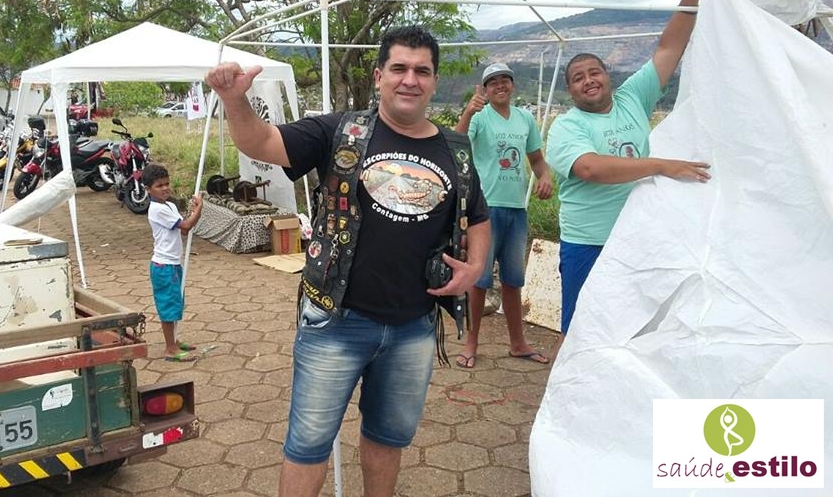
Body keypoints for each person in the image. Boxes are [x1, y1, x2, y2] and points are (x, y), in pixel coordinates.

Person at [206, 25, 490, 497]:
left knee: (388, 439)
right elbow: (261, 142)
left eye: (422, 71)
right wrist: (235, 100)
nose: (410, 79)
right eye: (399, 68)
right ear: (379, 76)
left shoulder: (455, 151)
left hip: (414, 326)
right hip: (335, 321)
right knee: (308, 446)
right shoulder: (339, 131)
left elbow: (477, 215)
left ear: (435, 81)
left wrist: (476, 266)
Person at [546, 0, 715, 354]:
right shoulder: (566, 126)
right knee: (580, 327)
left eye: (594, 72)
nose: (589, 80)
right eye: (578, 78)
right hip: (589, 242)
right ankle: (571, 388)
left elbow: (669, 48)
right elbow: (590, 168)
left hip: (637, 236)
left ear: (608, 75)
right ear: (570, 90)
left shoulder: (632, 98)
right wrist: (661, 165)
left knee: (633, 327)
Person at [453, 63, 554, 368]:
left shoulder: (525, 119)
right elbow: (455, 143)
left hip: (516, 209)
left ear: (512, 85)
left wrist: (545, 176)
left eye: (504, 80)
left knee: (513, 279)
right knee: (479, 280)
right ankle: (471, 343)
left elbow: (536, 159)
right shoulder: (480, 117)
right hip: (485, 208)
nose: (500, 85)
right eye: (492, 82)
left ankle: (518, 343)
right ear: (485, 89)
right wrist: (468, 112)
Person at [142, 163, 203, 362]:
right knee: (168, 306)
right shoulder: (157, 209)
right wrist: (199, 210)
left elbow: (183, 230)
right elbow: (187, 225)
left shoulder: (169, 205)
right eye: (159, 186)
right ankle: (170, 348)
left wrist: (193, 212)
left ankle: (174, 340)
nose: (165, 188)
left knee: (176, 303)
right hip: (163, 265)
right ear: (148, 189)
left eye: (167, 183)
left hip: (173, 263)